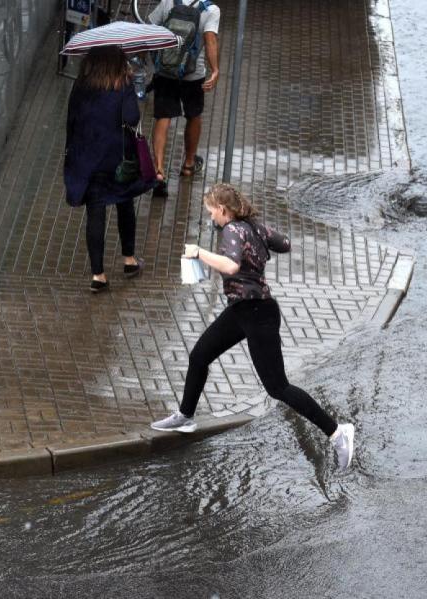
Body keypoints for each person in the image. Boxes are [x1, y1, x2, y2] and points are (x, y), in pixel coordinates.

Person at [150, 184, 356, 470]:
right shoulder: (252, 226)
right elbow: (284, 243)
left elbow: (232, 267)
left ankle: (337, 432)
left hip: (258, 314)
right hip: (243, 310)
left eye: (212, 212)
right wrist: (257, 234)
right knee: (199, 356)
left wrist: (199, 253)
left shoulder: (232, 230)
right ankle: (186, 416)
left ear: (222, 210)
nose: (211, 218)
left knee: (278, 387)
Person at [64, 45, 152, 293]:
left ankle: (98, 275)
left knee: (95, 213)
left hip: (87, 159)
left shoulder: (80, 85)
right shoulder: (122, 85)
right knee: (125, 203)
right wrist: (131, 87)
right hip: (117, 159)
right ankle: (129, 260)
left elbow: (71, 120)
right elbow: (132, 118)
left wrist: (71, 151)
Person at [148, 0, 221, 198]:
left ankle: (159, 171)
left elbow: (151, 29)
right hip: (193, 74)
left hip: (165, 71)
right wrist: (215, 70)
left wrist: (154, 58)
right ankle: (189, 164)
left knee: (163, 117)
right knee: (194, 115)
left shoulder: (168, 2)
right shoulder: (211, 10)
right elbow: (210, 40)